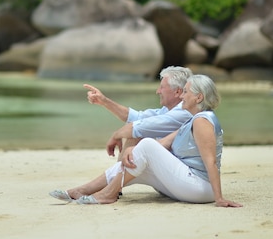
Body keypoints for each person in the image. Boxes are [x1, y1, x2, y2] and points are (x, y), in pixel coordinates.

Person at [51, 74, 242, 208]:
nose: (182, 96)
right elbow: (162, 144)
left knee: (146, 144)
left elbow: (211, 162)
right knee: (139, 161)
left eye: (185, 92)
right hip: (188, 185)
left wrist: (219, 198)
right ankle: (82, 191)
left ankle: (108, 195)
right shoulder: (191, 120)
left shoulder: (202, 121)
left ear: (198, 97)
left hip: (200, 187)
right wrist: (130, 152)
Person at [49, 66, 193, 202]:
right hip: (170, 179)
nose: (157, 91)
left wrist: (116, 135)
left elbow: (138, 126)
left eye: (162, 87)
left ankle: (98, 190)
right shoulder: (167, 111)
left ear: (178, 92)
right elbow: (135, 118)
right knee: (135, 133)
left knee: (137, 133)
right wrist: (104, 101)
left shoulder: (183, 111)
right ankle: (112, 188)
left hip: (181, 181)